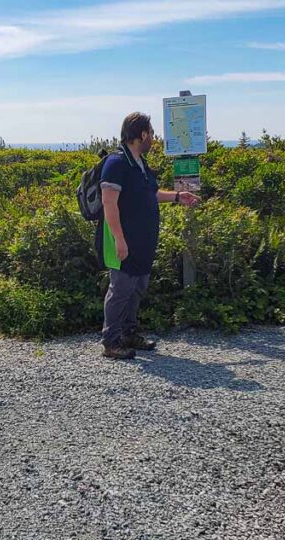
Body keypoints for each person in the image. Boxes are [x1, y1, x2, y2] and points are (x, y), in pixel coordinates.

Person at [98, 112, 200, 360]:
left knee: (137, 287)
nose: (154, 138)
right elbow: (109, 204)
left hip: (143, 240)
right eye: (152, 133)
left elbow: (150, 194)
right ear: (142, 135)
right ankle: (111, 342)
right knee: (121, 288)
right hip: (123, 239)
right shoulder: (116, 163)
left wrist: (177, 197)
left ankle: (129, 333)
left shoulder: (139, 164)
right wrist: (119, 240)